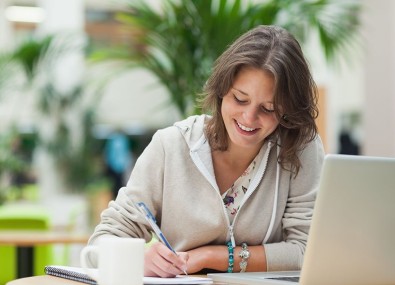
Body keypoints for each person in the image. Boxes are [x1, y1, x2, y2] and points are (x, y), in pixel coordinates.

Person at [86, 25, 325, 277]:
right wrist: (138, 259)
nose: (249, 117)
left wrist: (212, 256)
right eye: (240, 99)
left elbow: (306, 250)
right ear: (222, 91)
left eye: (268, 108)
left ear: (287, 111)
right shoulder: (171, 146)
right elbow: (100, 244)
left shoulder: (299, 147)